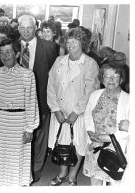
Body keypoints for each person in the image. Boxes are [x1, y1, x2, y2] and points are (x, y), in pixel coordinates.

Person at [0, 38, 39, 186]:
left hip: (19, 124)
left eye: (8, 52)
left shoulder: (28, 75)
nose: (5, 56)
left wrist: (29, 128)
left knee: (16, 160)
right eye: (2, 53)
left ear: (17, 53)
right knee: (0, 159)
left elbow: (32, 103)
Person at [47, 27, 100, 186]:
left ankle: (72, 176)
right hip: (59, 113)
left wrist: (76, 112)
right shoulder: (59, 61)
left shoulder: (90, 63)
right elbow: (50, 86)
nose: (70, 45)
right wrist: (55, 109)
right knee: (62, 143)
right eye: (68, 42)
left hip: (79, 114)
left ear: (82, 43)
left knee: (78, 144)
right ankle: (62, 173)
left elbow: (91, 91)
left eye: (74, 42)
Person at [17, 15, 58, 183]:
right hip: (16, 101)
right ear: (18, 29)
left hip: (41, 100)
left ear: (36, 28)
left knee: (39, 138)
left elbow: (54, 77)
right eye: (23, 28)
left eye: (30, 28)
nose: (26, 31)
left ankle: (36, 168)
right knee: (18, 137)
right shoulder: (11, 46)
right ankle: (19, 168)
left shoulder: (49, 47)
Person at [83, 62, 129, 185]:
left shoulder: (129, 100)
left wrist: (110, 138)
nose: (111, 79)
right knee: (95, 183)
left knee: (114, 182)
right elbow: (87, 115)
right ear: (102, 79)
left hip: (116, 148)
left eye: (115, 76)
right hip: (95, 144)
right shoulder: (95, 95)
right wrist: (90, 132)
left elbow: (131, 128)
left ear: (121, 79)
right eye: (107, 76)